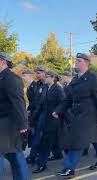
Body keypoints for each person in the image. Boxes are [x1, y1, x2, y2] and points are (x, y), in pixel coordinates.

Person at [52, 53, 97, 178]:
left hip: (90, 114)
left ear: (86, 63)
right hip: (78, 114)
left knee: (78, 140)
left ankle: (69, 168)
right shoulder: (76, 79)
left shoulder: (93, 78)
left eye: (78, 60)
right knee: (96, 137)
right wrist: (59, 110)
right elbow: (68, 98)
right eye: (75, 60)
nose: (75, 62)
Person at [0, 52, 30, 180]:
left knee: (15, 155)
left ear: (2, 61)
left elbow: (18, 102)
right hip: (4, 123)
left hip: (8, 123)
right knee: (14, 156)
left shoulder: (10, 78)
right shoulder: (2, 77)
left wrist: (23, 124)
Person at [32, 70, 65, 173]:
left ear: (53, 78)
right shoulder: (45, 88)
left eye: (47, 77)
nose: (45, 78)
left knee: (46, 141)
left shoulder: (58, 89)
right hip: (45, 118)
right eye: (45, 77)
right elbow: (41, 104)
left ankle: (42, 164)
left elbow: (63, 102)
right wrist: (34, 117)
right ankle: (57, 154)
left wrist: (57, 111)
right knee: (49, 139)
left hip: (54, 118)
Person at [26, 66, 47, 165]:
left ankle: (34, 156)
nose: (37, 75)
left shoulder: (48, 83)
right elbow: (34, 100)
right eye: (36, 73)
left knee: (39, 136)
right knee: (36, 136)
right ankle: (34, 156)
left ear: (44, 72)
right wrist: (30, 110)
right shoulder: (38, 84)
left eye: (39, 72)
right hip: (37, 113)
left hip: (45, 113)